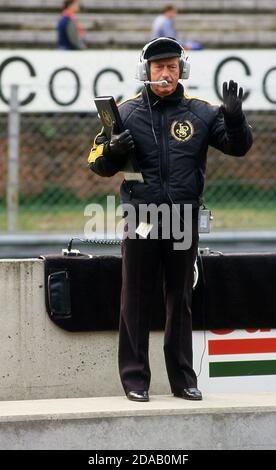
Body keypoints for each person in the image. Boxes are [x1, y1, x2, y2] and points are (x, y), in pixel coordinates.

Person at [87, 37, 253, 402]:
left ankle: (183, 380)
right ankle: (135, 380)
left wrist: (236, 118)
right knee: (135, 297)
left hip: (183, 220)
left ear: (182, 71)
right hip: (142, 218)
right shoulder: (125, 112)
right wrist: (113, 150)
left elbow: (238, 146)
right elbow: (96, 162)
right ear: (146, 71)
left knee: (180, 299)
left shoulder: (203, 112)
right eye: (159, 67)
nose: (166, 73)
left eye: (172, 67)